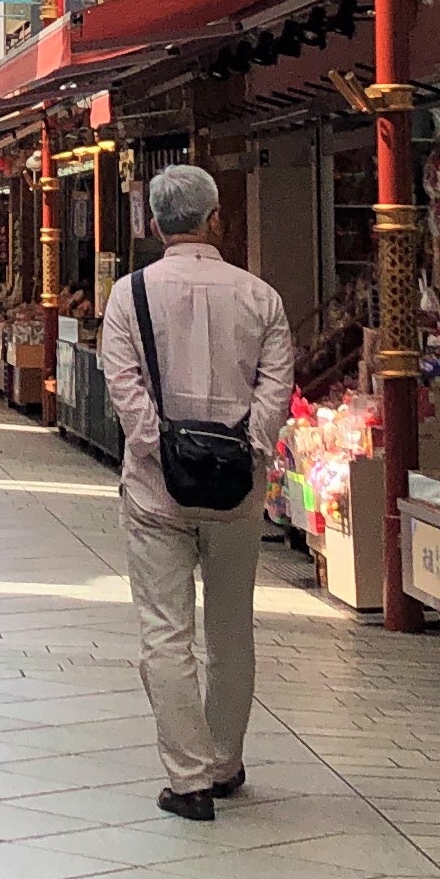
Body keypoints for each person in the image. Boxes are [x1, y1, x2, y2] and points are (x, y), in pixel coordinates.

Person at [95, 163, 293, 821]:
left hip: (157, 490)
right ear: (216, 218)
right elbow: (275, 386)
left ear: (153, 225)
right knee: (230, 626)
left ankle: (186, 778)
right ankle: (224, 760)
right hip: (237, 490)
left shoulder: (129, 294)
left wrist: (158, 446)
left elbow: (121, 384)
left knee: (164, 629)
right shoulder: (260, 296)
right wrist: (246, 447)